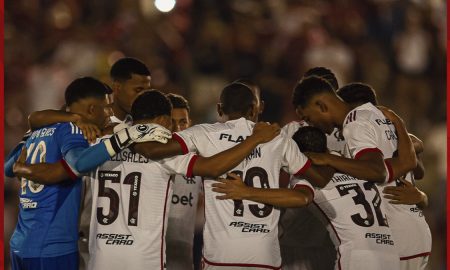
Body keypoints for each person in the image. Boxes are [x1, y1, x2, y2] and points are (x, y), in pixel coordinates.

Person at [132, 83, 332, 269]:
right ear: (254, 110)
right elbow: (319, 179)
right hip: (264, 256)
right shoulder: (276, 137)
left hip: (221, 255)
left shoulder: (204, 133)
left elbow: (152, 149)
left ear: (219, 109)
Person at [4, 77, 170, 270]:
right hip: (53, 245)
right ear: (92, 109)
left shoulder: (39, 130)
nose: (110, 112)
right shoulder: (72, 130)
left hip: (21, 244)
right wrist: (128, 135)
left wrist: (20, 168)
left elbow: (9, 167)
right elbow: (79, 163)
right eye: (107, 107)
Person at [336, 82, 431, 270]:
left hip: (395, 234)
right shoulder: (393, 130)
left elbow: (414, 168)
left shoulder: (357, 124)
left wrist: (421, 197)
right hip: (415, 232)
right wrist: (421, 197)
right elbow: (419, 170)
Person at [290, 126, 400, 270]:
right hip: (390, 254)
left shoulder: (306, 177)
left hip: (357, 256)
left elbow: (298, 201)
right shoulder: (358, 168)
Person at [165, 93, 203, 270]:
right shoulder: (145, 156)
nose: (178, 129)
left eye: (183, 122)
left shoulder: (201, 161)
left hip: (182, 258)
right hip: (147, 255)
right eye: (172, 122)